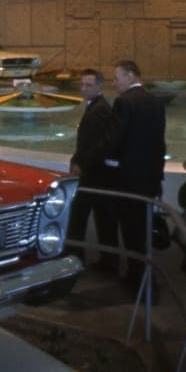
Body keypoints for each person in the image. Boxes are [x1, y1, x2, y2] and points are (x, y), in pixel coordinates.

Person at [104, 60, 166, 295]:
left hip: (127, 179)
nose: (114, 83)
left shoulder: (123, 102)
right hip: (148, 179)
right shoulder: (155, 102)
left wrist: (104, 157)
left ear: (130, 76)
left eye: (117, 78)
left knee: (131, 231)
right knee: (142, 229)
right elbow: (159, 143)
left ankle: (138, 280)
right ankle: (143, 277)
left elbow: (114, 141)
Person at [67, 69, 118, 267]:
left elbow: (95, 145)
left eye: (88, 85)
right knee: (101, 217)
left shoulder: (99, 110)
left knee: (80, 215)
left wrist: (80, 163)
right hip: (96, 172)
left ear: (99, 86)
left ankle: (76, 256)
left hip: (93, 174)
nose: (83, 88)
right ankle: (106, 259)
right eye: (82, 84)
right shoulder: (98, 107)